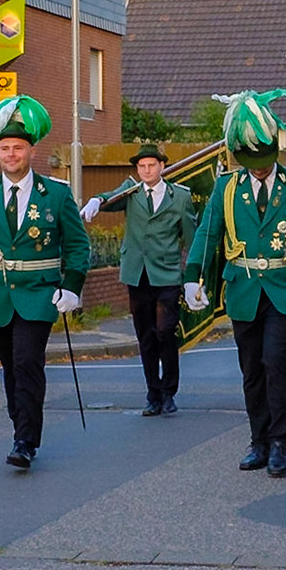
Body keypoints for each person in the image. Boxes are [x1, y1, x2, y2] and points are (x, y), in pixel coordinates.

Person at [181, 89, 286, 479]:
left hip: (282, 287)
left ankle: (281, 442)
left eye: (264, 162)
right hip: (243, 287)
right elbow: (207, 235)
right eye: (252, 163)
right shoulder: (226, 187)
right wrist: (192, 278)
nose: (259, 169)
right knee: (250, 367)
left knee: (275, 360)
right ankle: (258, 440)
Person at [0, 97, 92, 469]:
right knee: (10, 366)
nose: (10, 154)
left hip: (38, 293)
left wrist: (72, 286)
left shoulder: (55, 194)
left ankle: (26, 439)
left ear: (31, 150)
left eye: (18, 148)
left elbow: (77, 245)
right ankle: (20, 424)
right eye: (4, 148)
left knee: (28, 362)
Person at [81, 143, 196, 415]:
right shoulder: (131, 191)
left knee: (165, 332)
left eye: (151, 165)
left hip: (166, 273)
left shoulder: (179, 197)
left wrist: (193, 275)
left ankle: (169, 391)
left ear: (162, 167)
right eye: (142, 166)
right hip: (137, 274)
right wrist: (96, 200)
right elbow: (109, 198)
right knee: (145, 336)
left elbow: (192, 237)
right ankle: (152, 392)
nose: (146, 170)